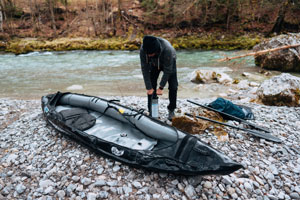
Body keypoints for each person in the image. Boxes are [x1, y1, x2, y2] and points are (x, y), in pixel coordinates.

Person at [140, 35, 178, 121]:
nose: (149, 55)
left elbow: (168, 71)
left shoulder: (168, 50)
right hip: (153, 64)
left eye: (150, 54)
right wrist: (148, 87)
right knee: (151, 87)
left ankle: (171, 109)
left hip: (168, 62)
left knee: (173, 86)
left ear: (156, 50)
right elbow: (144, 68)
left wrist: (161, 87)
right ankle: (152, 111)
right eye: (147, 54)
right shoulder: (143, 49)